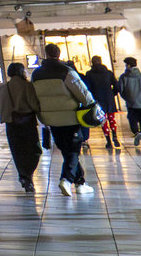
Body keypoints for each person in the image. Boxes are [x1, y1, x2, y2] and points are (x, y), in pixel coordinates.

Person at [33, 43, 97, 196]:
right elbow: (82, 92)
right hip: (70, 117)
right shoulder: (65, 71)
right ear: (59, 54)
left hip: (50, 119)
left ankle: (80, 183)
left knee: (66, 151)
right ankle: (66, 180)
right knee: (74, 150)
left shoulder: (36, 74)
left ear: (45, 54)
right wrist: (91, 104)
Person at [0, 61, 43, 192]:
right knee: (34, 150)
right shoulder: (27, 86)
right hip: (27, 122)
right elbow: (34, 104)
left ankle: (24, 176)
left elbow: (4, 105)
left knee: (17, 151)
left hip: (11, 123)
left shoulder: (6, 87)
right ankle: (28, 175)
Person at [84, 55, 122, 151]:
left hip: (98, 100)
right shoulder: (108, 73)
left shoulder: (89, 74)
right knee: (111, 118)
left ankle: (108, 140)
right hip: (109, 98)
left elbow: (88, 88)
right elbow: (116, 85)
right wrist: (113, 93)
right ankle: (115, 136)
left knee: (103, 120)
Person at [119, 56, 141, 149]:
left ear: (128, 65)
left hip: (131, 104)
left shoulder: (123, 77)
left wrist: (127, 98)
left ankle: (136, 132)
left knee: (132, 119)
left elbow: (121, 90)